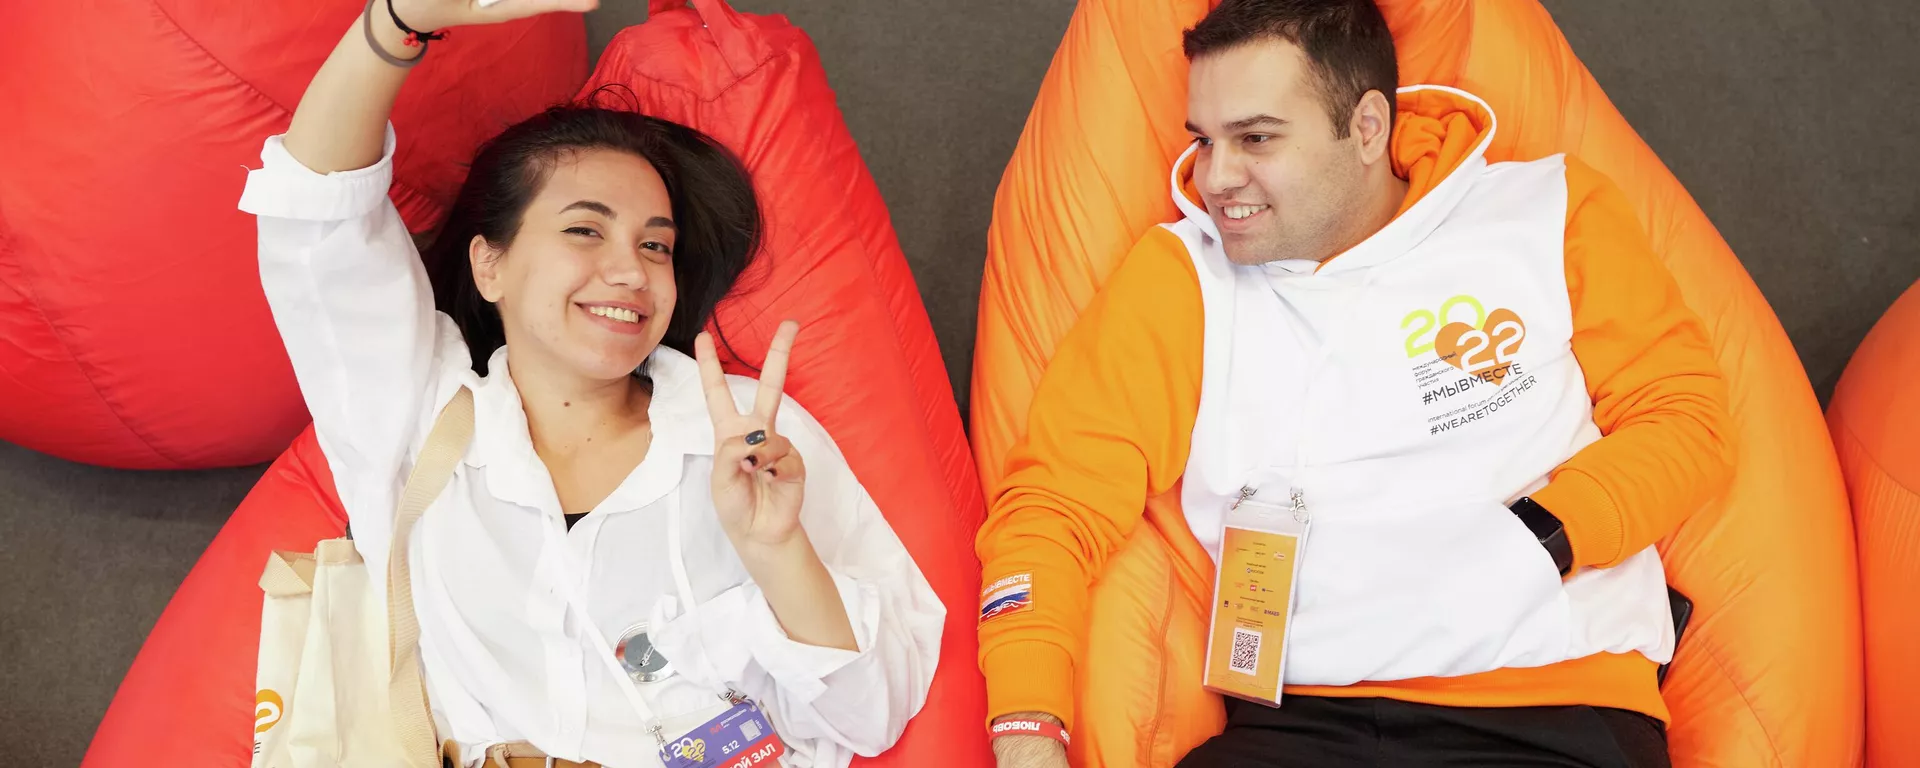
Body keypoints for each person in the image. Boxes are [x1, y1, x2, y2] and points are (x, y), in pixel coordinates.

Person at [976, 1, 1733, 766]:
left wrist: (1542, 537)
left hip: (1550, 705)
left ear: (1367, 127)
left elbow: (1685, 420)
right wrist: (1026, 729)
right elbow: (1052, 506)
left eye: (1256, 138)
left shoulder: (1545, 211)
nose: (1216, 177)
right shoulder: (1181, 279)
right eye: (1204, 140)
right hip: (1303, 725)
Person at [238, 0, 945, 765]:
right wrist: (396, 21)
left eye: (655, 246)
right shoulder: (415, 411)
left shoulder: (747, 437)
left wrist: (777, 551)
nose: (630, 271)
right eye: (585, 230)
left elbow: (871, 716)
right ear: (490, 264)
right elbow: (313, 214)